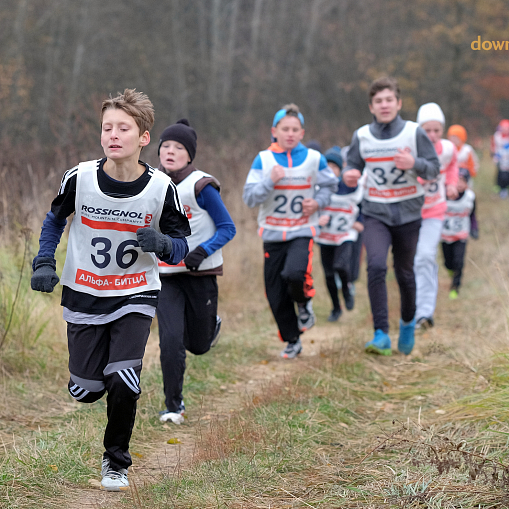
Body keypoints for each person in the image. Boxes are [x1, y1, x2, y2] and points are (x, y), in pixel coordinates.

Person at [30, 89, 191, 491]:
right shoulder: (79, 176)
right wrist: (44, 262)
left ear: (143, 138)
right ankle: (92, 382)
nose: (113, 135)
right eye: (107, 128)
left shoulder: (161, 188)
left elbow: (181, 244)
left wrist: (164, 245)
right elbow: (54, 221)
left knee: (124, 380)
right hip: (84, 291)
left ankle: (115, 461)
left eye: (124, 128)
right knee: (85, 391)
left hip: (135, 293)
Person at [342, 77, 440, 356]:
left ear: (398, 103)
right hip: (375, 213)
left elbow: (433, 169)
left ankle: (407, 324)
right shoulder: (361, 135)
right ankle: (381, 333)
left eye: (389, 100)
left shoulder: (414, 132)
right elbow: (352, 168)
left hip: (409, 213)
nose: (384, 105)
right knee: (375, 266)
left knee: (405, 274)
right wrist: (349, 175)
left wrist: (415, 164)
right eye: (378, 101)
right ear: (371, 107)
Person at [155, 119, 236, 424]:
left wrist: (201, 252)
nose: (171, 152)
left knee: (198, 345)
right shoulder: (152, 184)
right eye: (165, 147)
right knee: (171, 340)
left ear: (190, 155)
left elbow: (228, 227)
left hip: (201, 273)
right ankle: (173, 406)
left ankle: (209, 325)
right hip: (166, 276)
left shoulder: (201, 186)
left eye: (178, 147)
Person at [243, 104, 337, 359]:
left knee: (295, 273)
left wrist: (317, 202)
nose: (290, 133)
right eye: (285, 129)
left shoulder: (314, 159)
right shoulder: (264, 159)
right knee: (274, 293)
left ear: (302, 132)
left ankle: (305, 302)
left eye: (295, 129)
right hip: (272, 234)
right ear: (275, 131)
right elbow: (250, 198)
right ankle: (292, 339)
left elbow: (331, 185)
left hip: (301, 231)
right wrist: (269, 180)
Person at [413, 103, 459, 329]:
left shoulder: (448, 149)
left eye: (436, 130)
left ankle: (424, 313)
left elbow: (452, 167)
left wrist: (451, 185)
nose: (431, 135)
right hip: (410, 213)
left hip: (435, 210)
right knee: (414, 261)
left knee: (425, 256)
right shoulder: (411, 149)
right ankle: (412, 307)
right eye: (427, 130)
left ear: (442, 130)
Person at [317, 146, 364, 321]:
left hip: (345, 235)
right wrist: (316, 220)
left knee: (341, 266)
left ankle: (346, 289)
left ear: (340, 169)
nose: (331, 170)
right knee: (329, 275)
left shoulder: (350, 186)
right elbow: (309, 206)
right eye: (327, 166)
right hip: (325, 237)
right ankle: (336, 308)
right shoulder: (318, 187)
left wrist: (361, 221)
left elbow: (362, 204)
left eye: (334, 167)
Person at [441, 168, 478, 299]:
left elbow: (472, 215)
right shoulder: (443, 196)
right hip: (445, 235)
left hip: (461, 235)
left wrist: (474, 229)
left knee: (459, 261)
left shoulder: (470, 197)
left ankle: (455, 286)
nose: (460, 184)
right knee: (448, 263)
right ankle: (451, 270)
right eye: (457, 181)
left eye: (463, 181)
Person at [490, 119, 509, 198]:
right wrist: (494, 155)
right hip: (500, 158)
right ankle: (501, 187)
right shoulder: (496, 136)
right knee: (501, 174)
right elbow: (493, 147)